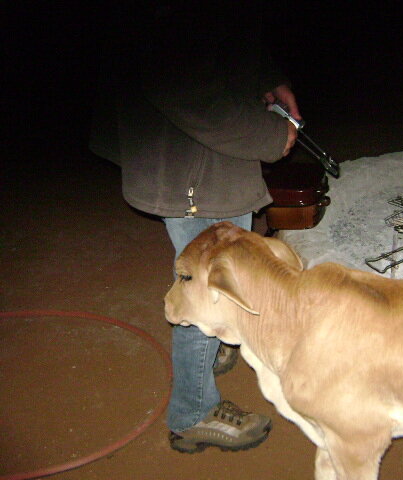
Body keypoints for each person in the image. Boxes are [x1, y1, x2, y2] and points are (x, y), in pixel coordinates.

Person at [90, 3, 300, 452]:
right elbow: (180, 79)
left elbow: (227, 36)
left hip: (202, 158)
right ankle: (192, 412)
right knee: (202, 294)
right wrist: (267, 137)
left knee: (216, 288)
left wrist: (269, 78)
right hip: (193, 167)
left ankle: (216, 344)